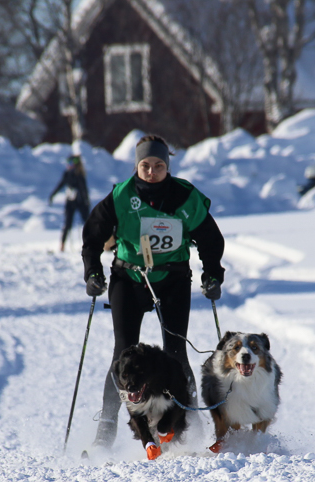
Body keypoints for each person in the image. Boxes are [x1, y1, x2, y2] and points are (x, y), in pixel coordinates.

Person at [81, 134, 224, 450]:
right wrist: (93, 271)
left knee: (175, 353)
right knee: (123, 353)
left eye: (158, 165)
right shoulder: (121, 196)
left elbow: (211, 239)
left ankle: (188, 421)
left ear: (167, 166)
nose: (151, 171)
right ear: (137, 165)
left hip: (172, 279)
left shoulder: (185, 197)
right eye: (145, 165)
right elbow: (93, 234)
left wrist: (213, 274)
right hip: (129, 279)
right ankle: (106, 429)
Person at [49, 155, 90, 251]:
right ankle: (62, 245)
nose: (69, 165)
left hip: (80, 202)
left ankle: (91, 243)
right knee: (67, 224)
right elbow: (60, 184)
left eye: (71, 163)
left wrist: (86, 201)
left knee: (88, 223)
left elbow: (84, 190)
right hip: (70, 202)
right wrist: (52, 195)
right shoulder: (67, 174)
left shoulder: (80, 175)